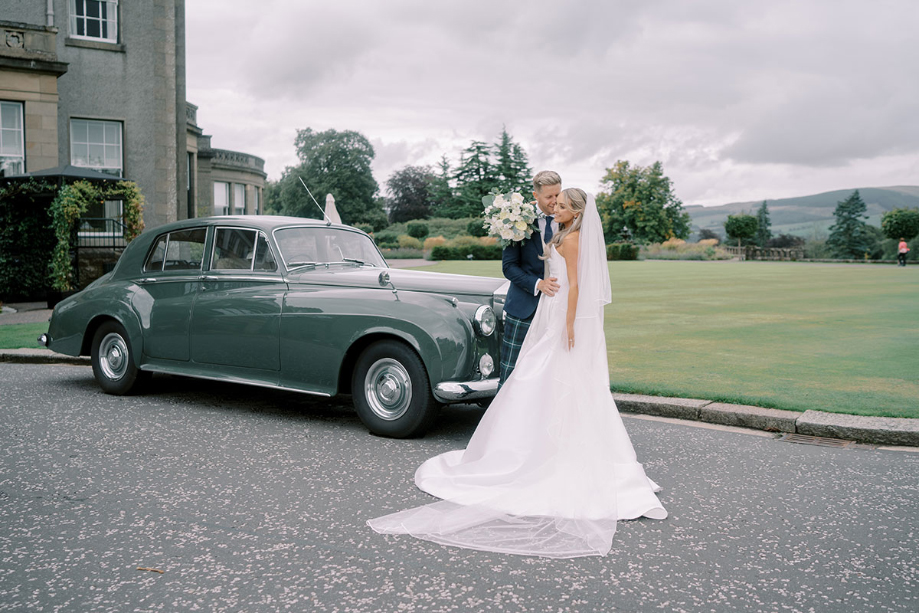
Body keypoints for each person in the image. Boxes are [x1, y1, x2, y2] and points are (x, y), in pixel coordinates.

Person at [368, 188, 667, 558]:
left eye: (561, 205)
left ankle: (552, 451)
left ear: (575, 212)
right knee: (538, 376)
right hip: (549, 309)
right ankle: (531, 444)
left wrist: (569, 324)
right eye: (554, 202)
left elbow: (576, 285)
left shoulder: (572, 239)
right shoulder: (562, 233)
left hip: (562, 314)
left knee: (548, 377)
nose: (555, 208)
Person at [498, 171, 561, 387]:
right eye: (549, 197)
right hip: (524, 308)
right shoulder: (517, 219)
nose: (555, 201)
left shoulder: (568, 219)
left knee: (552, 374)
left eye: (558, 195)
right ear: (536, 195)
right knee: (512, 373)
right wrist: (538, 284)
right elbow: (509, 267)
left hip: (558, 308)